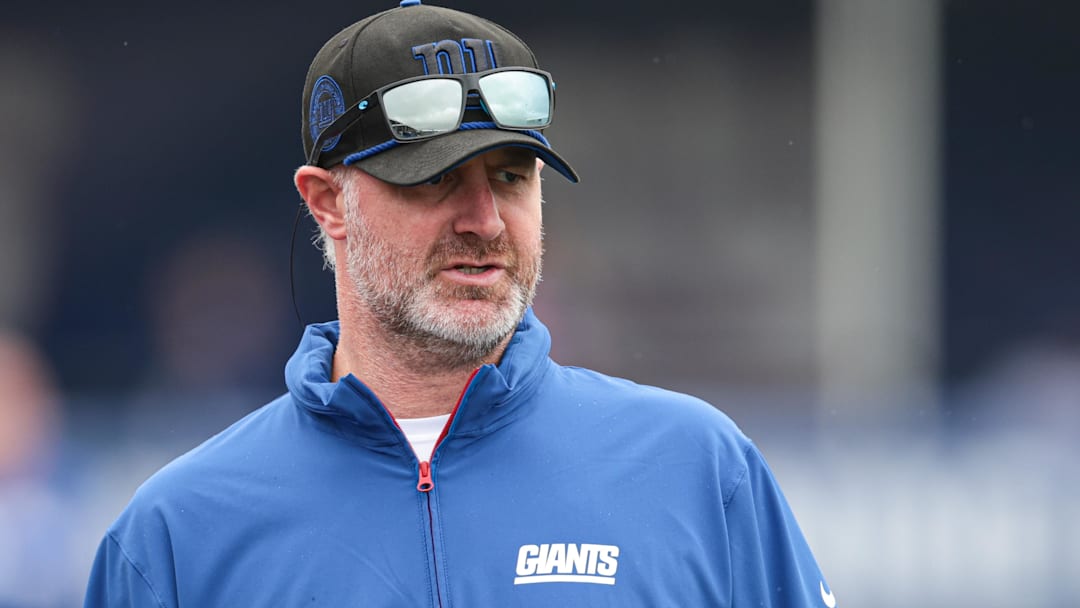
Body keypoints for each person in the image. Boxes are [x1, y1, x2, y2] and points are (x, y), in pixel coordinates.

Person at [84, 1, 836, 606]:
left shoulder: (697, 470)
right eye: (434, 180)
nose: (484, 221)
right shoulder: (177, 536)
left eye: (511, 177)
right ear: (327, 203)